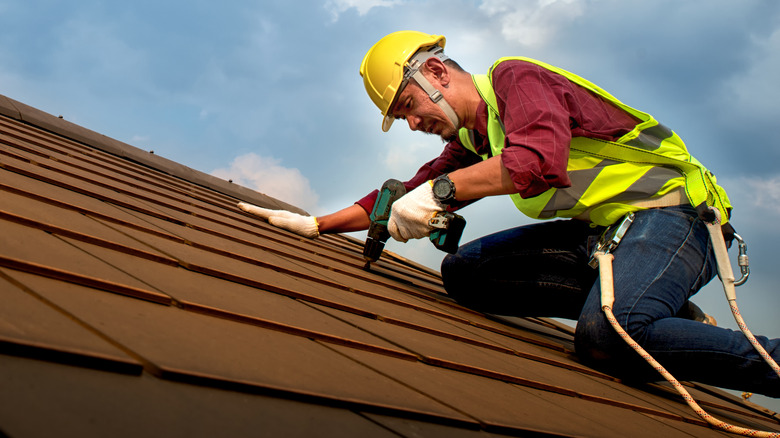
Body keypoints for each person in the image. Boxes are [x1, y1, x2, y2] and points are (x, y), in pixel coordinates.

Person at [239, 31, 779, 397]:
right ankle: (663, 315)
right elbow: (409, 190)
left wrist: (444, 192)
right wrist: (318, 225)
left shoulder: (517, 80)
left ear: (434, 74)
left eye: (407, 106)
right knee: (466, 274)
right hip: (608, 236)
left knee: (606, 337)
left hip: (677, 219)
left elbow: (537, 161)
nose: (411, 123)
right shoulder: (478, 135)